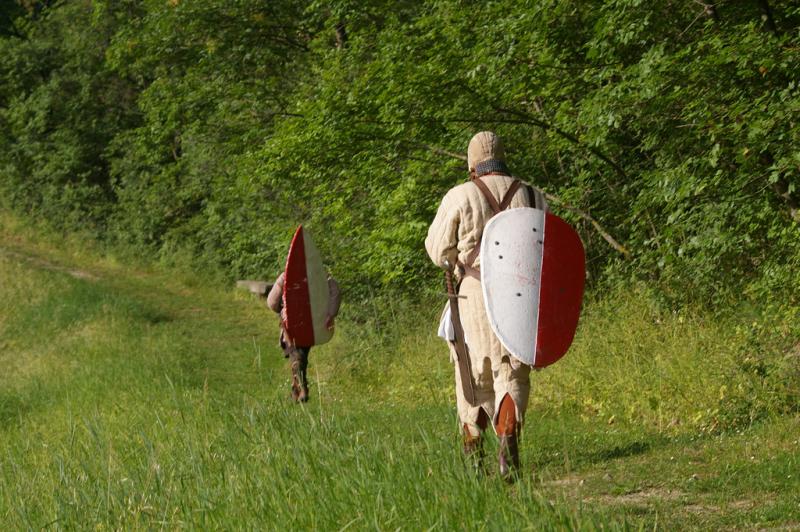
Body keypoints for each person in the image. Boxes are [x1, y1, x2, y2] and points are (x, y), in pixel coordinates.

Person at [425, 131, 547, 478]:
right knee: (512, 373)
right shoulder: (531, 194)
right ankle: (508, 449)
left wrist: (455, 262)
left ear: (472, 163)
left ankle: (475, 459)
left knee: (473, 375)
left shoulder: (460, 195)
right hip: (520, 292)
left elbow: (437, 250)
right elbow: (546, 245)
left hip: (475, 292)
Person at [266, 271, 340, 402]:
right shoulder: (321, 275)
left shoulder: (285, 276)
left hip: (291, 324)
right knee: (300, 354)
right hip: (312, 323)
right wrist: (330, 314)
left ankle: (303, 389)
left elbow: (272, 301)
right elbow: (335, 291)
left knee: (296, 356)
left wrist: (280, 310)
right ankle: (296, 391)